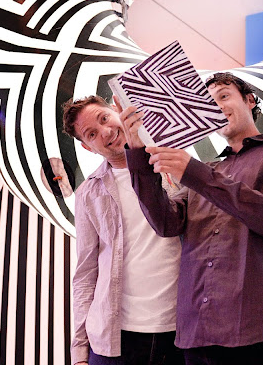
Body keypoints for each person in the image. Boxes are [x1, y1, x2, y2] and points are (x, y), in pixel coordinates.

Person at [118, 72, 263, 365]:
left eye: (224, 96)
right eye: (209, 103)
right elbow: (166, 223)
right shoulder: (205, 170)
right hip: (197, 334)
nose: (218, 107)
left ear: (250, 101)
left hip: (261, 331)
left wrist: (196, 173)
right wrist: (137, 151)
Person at [62, 96, 184, 365]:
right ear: (88, 147)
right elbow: (85, 273)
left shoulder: (174, 165)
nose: (105, 132)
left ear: (116, 111)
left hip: (182, 329)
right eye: (92, 134)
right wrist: (80, 351)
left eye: (104, 118)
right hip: (116, 337)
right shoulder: (88, 193)